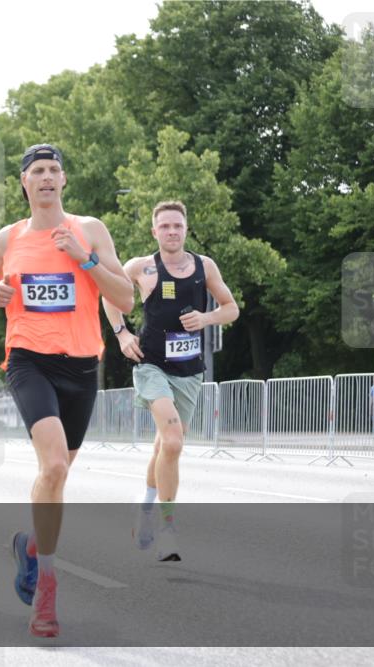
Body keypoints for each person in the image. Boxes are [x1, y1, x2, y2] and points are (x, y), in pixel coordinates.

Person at [0, 144, 133, 637]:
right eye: (37, 171)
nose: (46, 177)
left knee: (57, 477)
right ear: (23, 183)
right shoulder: (9, 238)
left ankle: (28, 544)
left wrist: (84, 258)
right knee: (55, 466)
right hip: (28, 360)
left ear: (64, 181)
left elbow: (125, 296)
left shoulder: (91, 230)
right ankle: (46, 590)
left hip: (82, 366)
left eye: (54, 170)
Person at [103, 200, 239, 563]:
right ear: (154, 232)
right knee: (174, 442)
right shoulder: (142, 267)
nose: (172, 232)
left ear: (186, 228)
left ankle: (144, 509)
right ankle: (167, 529)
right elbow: (110, 294)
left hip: (190, 372)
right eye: (164, 226)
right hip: (152, 367)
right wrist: (121, 334)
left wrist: (207, 318)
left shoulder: (204, 266)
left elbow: (231, 307)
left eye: (177, 225)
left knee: (165, 445)